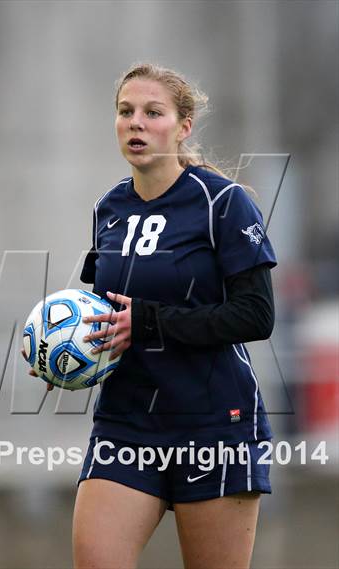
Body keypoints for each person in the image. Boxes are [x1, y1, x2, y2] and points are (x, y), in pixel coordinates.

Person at [45, 62, 277, 568]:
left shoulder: (223, 203)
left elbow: (256, 316)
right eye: (126, 112)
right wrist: (66, 353)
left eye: (153, 112)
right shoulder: (110, 208)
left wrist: (152, 322)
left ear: (183, 125)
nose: (137, 123)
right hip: (127, 421)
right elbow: (107, 313)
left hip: (215, 422)